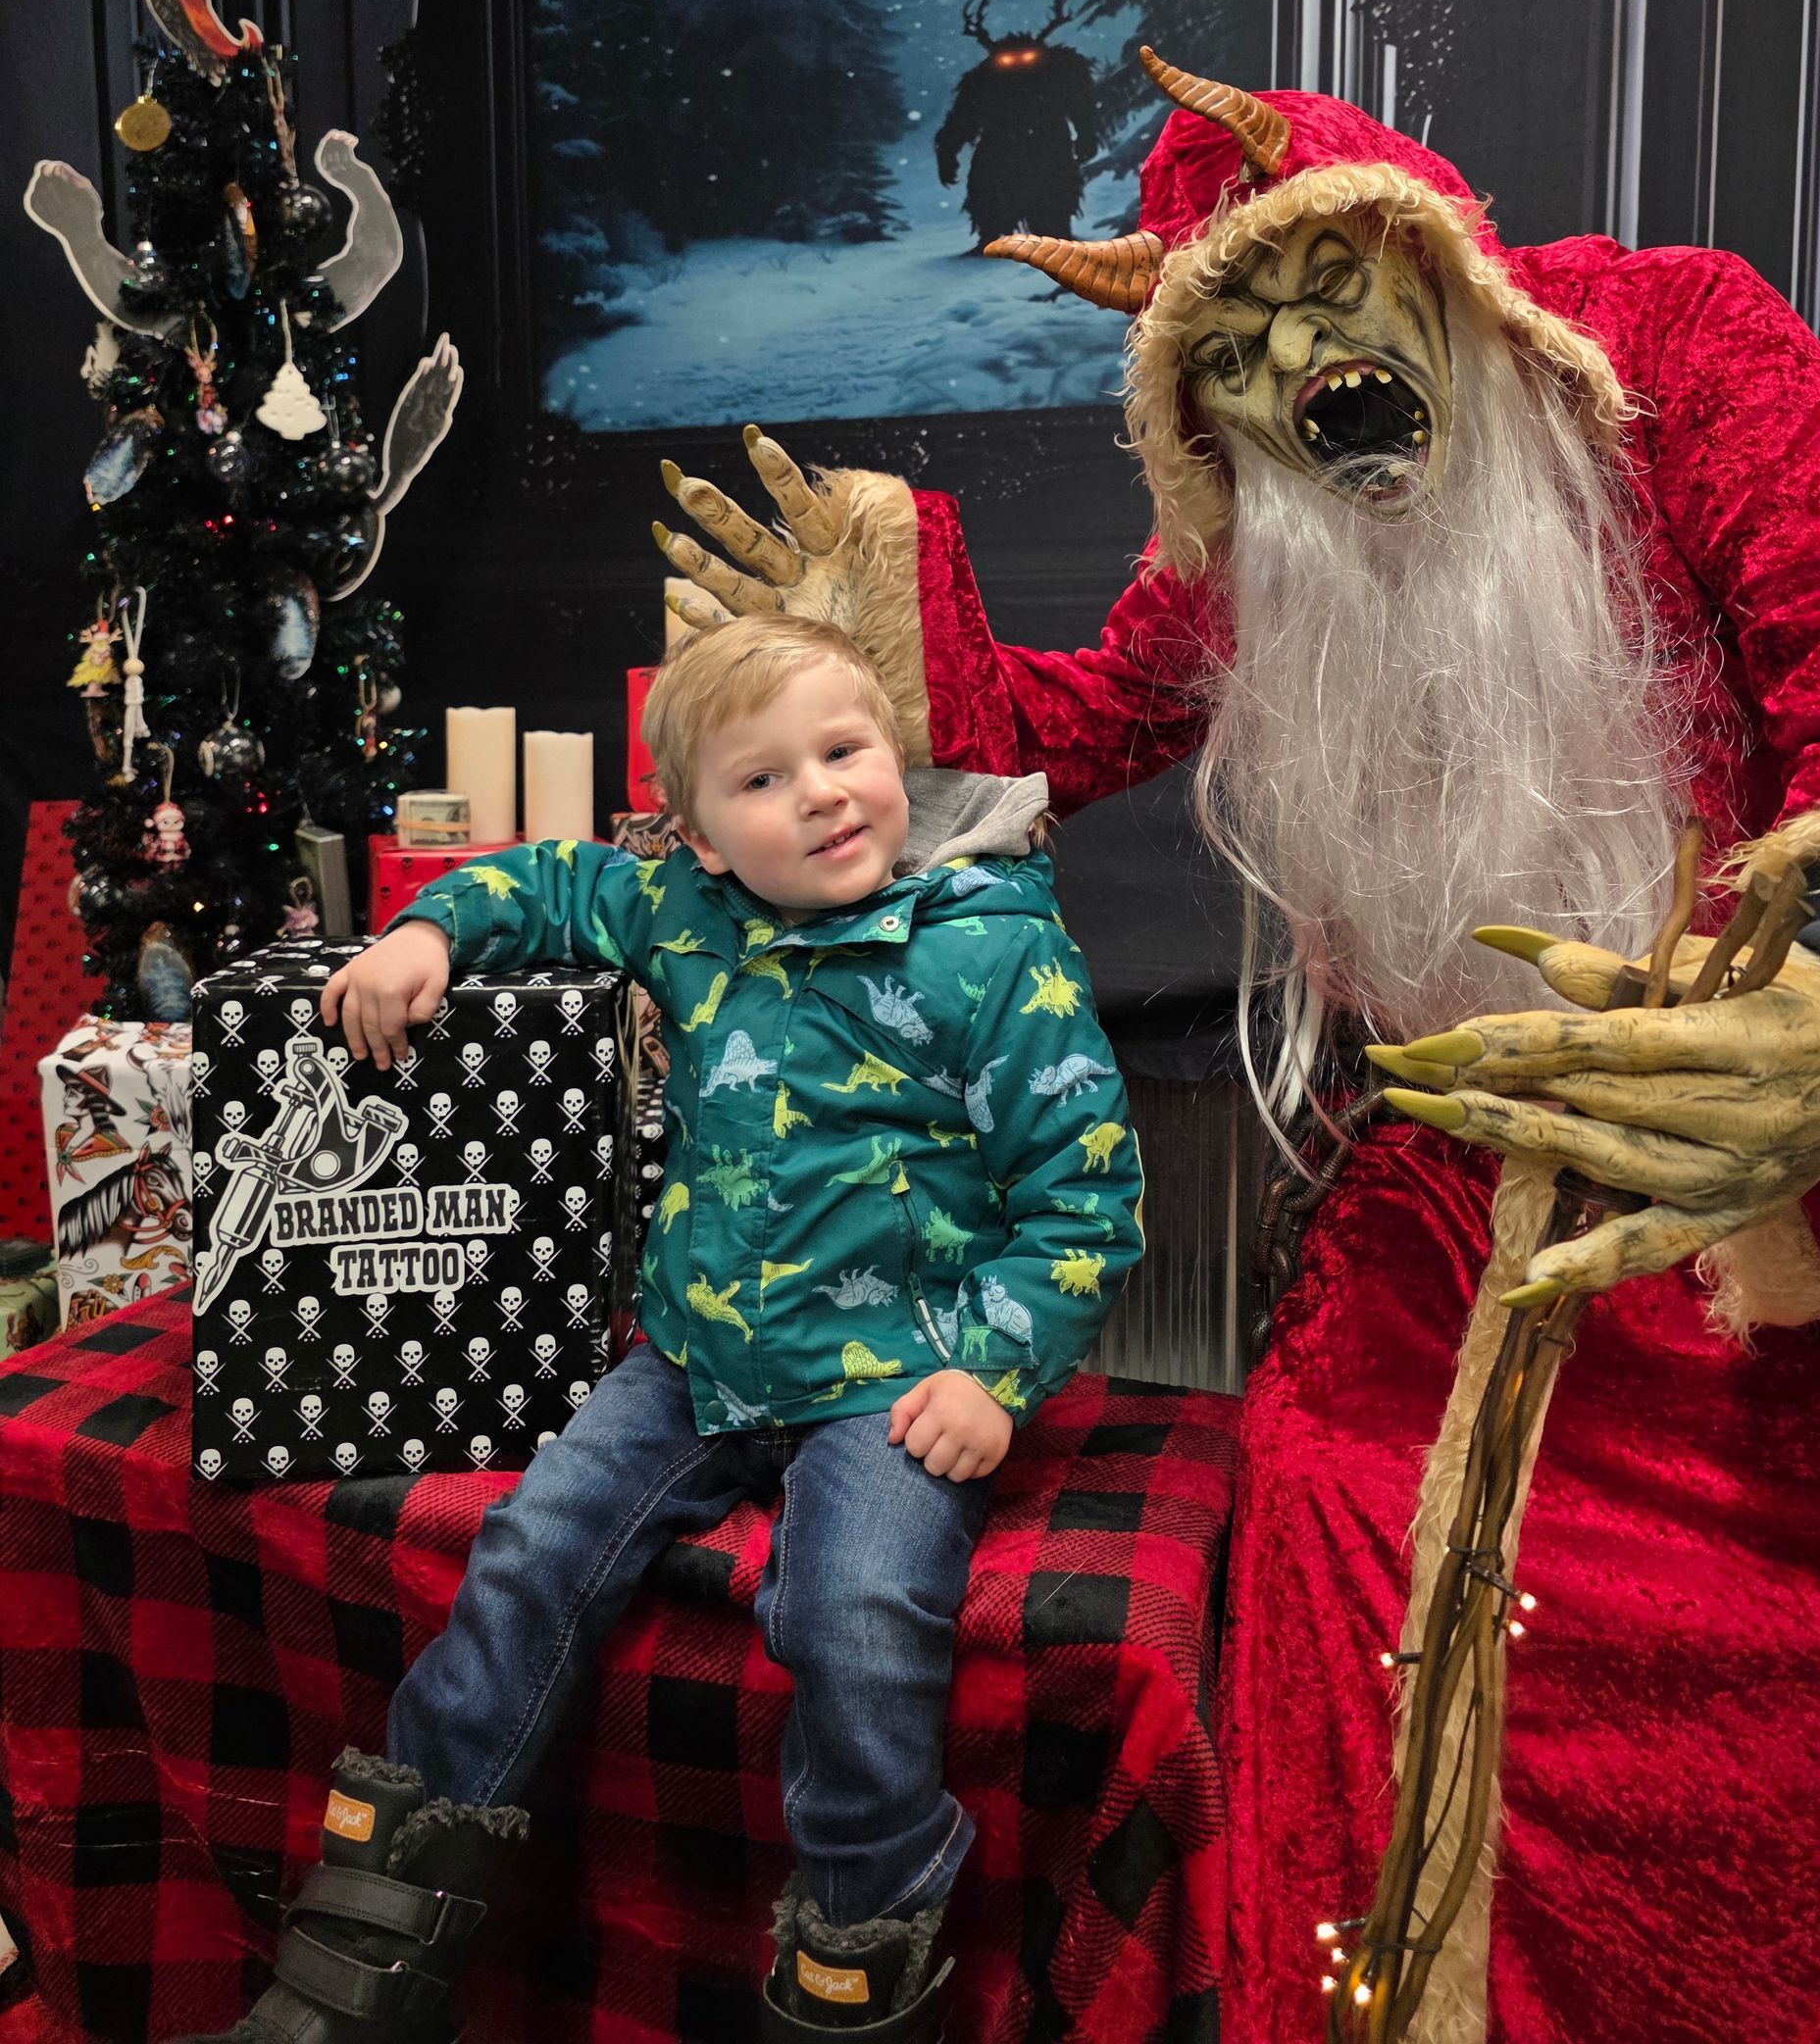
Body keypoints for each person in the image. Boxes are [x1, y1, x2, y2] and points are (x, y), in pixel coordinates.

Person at [651, 50, 1820, 2043]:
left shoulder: (1674, 348)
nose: (1300, 368)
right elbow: (1075, 721)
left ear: (1431, 254)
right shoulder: (1266, 551)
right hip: (1439, 1196)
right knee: (1330, 1537)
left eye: (1325, 293)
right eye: (1228, 351)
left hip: (1762, 1198)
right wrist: (852, 665)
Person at [174, 613, 1141, 2044]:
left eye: (844, 751)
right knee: (530, 1549)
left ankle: (859, 1954)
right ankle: (367, 1947)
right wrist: (428, 928)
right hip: (694, 1360)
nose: (820, 793)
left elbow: (1084, 1194)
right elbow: (553, 880)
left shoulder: (992, 952)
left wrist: (995, 1374)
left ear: (894, 757)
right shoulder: (685, 914)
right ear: (696, 836)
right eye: (763, 779)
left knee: (853, 1615)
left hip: (896, 1376)